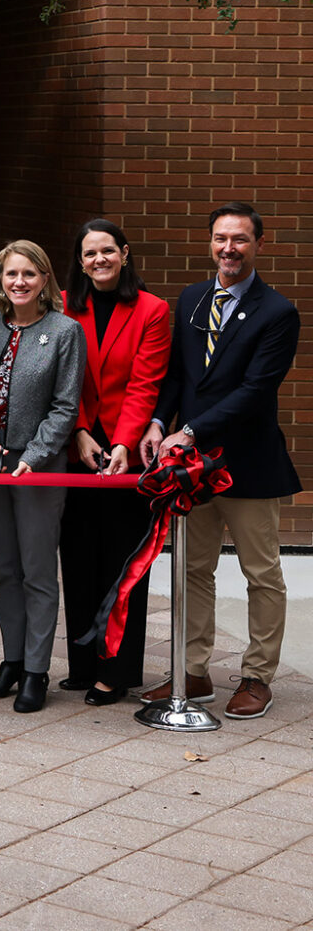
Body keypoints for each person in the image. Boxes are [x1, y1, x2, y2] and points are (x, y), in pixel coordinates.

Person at [141, 201, 300, 720]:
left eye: (240, 239)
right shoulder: (190, 299)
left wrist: (189, 431)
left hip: (248, 465)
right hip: (191, 470)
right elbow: (177, 377)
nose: (228, 248)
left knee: (262, 573)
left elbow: (255, 391)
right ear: (210, 242)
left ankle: (257, 676)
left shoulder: (278, 312)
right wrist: (159, 424)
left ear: (259, 244)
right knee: (192, 569)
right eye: (220, 239)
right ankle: (193, 671)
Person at [58, 219, 171, 705]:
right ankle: (83, 665)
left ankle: (117, 671)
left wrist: (122, 443)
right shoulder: (62, 304)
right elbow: (64, 378)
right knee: (78, 558)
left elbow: (146, 382)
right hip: (75, 446)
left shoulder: (152, 309)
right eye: (89, 254)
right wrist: (80, 432)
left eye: (107, 251)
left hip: (128, 454)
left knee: (122, 565)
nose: (98, 260)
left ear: (124, 254)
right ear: (79, 261)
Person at [0, 240, 84, 714]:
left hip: (39, 463)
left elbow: (65, 405)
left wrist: (35, 455)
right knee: (5, 570)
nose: (19, 282)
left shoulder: (64, 331)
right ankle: (11, 661)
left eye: (29, 274)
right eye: (11, 274)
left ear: (45, 281)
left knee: (38, 570)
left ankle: (37, 671)